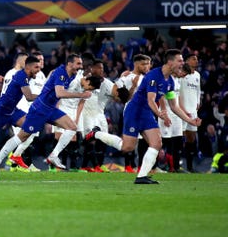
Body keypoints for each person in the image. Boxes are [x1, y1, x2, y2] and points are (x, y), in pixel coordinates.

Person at [85, 49, 202, 184]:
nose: (183, 63)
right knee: (126, 147)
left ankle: (141, 176)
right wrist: (159, 114)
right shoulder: (154, 75)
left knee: (157, 143)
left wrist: (191, 121)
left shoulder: (169, 81)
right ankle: (97, 134)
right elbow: (151, 99)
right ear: (170, 62)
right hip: (134, 111)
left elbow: (174, 106)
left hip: (146, 113)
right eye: (180, 61)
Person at [0, 54, 93, 177]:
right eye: (78, 64)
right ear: (70, 64)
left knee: (72, 127)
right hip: (39, 109)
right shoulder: (60, 73)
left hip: (50, 109)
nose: (80, 66)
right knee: (22, 137)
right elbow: (59, 93)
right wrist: (81, 95)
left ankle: (53, 156)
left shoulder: (73, 75)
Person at [112, 54, 152, 172]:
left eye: (147, 64)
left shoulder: (147, 78)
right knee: (130, 140)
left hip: (145, 111)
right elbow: (121, 97)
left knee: (144, 140)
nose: (146, 67)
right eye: (143, 64)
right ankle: (128, 166)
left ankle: (140, 167)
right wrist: (133, 86)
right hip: (131, 111)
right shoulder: (127, 78)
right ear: (136, 64)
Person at [8, 51, 47, 171]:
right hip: (20, 109)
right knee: (26, 136)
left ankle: (14, 162)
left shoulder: (40, 75)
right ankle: (22, 162)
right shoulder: (17, 74)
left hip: (34, 109)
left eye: (42, 60)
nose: (41, 62)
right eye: (38, 60)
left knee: (28, 137)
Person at [80, 59, 117, 172]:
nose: (101, 70)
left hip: (100, 115)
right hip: (86, 114)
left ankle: (97, 165)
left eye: (102, 68)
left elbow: (117, 94)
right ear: (92, 68)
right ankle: (94, 165)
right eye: (99, 68)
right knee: (90, 140)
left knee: (103, 140)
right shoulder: (86, 80)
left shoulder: (107, 83)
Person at [180, 54, 201, 172]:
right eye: (194, 59)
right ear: (187, 61)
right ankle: (174, 164)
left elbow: (198, 90)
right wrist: (181, 109)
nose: (196, 61)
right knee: (179, 137)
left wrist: (198, 102)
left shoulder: (197, 75)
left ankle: (189, 166)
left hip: (193, 111)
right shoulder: (182, 75)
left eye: (196, 59)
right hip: (182, 110)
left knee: (191, 139)